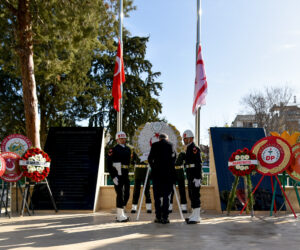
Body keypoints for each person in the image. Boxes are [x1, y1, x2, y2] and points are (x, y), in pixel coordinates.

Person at [148, 133, 176, 224]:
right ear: (166, 138)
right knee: (166, 197)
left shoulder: (154, 145)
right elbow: (174, 159)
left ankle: (158, 217)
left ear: (159, 139)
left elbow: (149, 159)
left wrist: (154, 167)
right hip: (168, 176)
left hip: (157, 175)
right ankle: (165, 217)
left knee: (157, 197)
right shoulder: (170, 145)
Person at [107, 131, 131, 222]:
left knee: (127, 193)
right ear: (117, 140)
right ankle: (120, 215)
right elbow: (109, 164)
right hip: (117, 174)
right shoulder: (113, 149)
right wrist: (113, 176)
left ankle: (122, 210)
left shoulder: (128, 149)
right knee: (119, 194)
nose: (123, 140)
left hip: (125, 173)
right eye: (121, 138)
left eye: (124, 138)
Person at [182, 129, 202, 224]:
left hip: (195, 175)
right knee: (191, 195)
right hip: (190, 174)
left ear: (191, 139)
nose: (184, 140)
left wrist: (198, 177)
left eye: (186, 139)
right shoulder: (188, 148)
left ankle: (197, 216)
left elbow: (198, 164)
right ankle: (194, 214)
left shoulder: (194, 148)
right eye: (184, 139)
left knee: (195, 195)